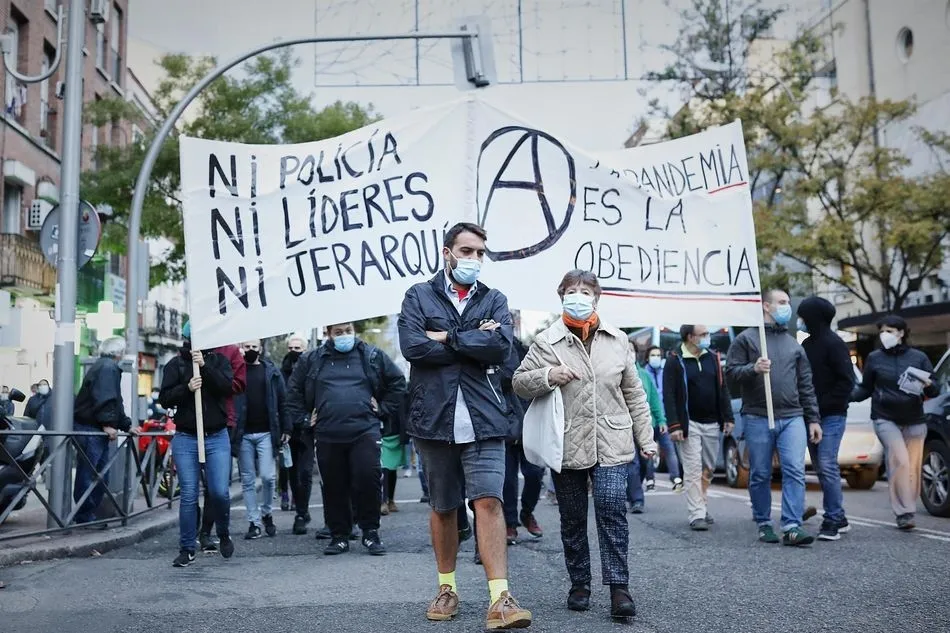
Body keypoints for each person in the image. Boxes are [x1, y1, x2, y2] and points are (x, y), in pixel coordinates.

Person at [398, 222, 532, 629]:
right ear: (447, 252)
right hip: (434, 418)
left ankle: (500, 599)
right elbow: (413, 346)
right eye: (467, 251)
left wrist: (448, 338)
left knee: (489, 501)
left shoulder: (495, 299)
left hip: (485, 417)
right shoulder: (418, 295)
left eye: (480, 253)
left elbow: (500, 347)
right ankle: (447, 587)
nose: (474, 259)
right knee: (443, 508)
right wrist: (471, 338)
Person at [514, 269, 656, 620]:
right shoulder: (548, 341)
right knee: (573, 517)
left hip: (612, 438)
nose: (578, 296)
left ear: (597, 297)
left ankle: (619, 587)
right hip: (567, 442)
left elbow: (634, 393)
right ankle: (579, 582)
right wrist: (549, 376)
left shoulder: (618, 340)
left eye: (585, 291)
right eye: (571, 290)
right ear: (561, 295)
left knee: (611, 507)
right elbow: (519, 382)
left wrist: (646, 438)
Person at [287, 322, 406, 556]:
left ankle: (370, 533)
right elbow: (293, 392)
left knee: (368, 479)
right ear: (328, 334)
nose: (345, 336)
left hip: (364, 431)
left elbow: (398, 383)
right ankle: (339, 535)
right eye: (339, 332)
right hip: (327, 433)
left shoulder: (371, 355)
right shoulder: (311, 360)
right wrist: (303, 419)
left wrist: (382, 408)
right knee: (334, 486)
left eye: (348, 331)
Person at [726, 289, 821, 546]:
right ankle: (764, 522)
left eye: (788, 302)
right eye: (781, 302)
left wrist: (813, 419)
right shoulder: (746, 339)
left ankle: (791, 525)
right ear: (766, 306)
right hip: (758, 416)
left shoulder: (793, 344)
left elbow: (805, 384)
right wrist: (753, 368)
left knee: (794, 470)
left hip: (792, 416)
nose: (786, 307)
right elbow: (731, 373)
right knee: (760, 473)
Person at [851, 315, 938, 531]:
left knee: (912, 466)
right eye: (882, 330)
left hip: (914, 418)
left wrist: (927, 384)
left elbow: (934, 389)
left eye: (889, 330)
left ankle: (908, 506)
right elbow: (865, 388)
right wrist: (844, 397)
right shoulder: (874, 358)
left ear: (901, 333)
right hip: (885, 417)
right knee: (899, 460)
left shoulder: (919, 357)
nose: (884, 335)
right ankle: (903, 513)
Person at [160, 331, 236, 567]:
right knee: (189, 494)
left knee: (219, 491)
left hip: (216, 436)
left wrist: (205, 368)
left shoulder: (218, 360)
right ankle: (187, 548)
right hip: (186, 437)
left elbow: (227, 387)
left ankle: (223, 532)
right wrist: (187, 388)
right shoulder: (175, 365)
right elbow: (165, 398)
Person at [663, 325, 735, 530]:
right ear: (690, 337)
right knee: (693, 470)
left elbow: (723, 389)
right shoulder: (675, 360)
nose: (707, 337)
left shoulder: (713, 357)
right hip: (689, 424)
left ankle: (701, 504)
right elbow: (668, 395)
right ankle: (696, 514)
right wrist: (674, 425)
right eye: (703, 334)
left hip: (712, 423)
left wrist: (728, 417)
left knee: (708, 469)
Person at [797, 296, 856, 540]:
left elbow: (847, 381)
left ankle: (832, 519)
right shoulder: (807, 345)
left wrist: (822, 406)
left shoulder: (835, 344)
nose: (800, 321)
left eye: (803, 316)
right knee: (822, 467)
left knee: (828, 464)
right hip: (812, 416)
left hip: (831, 416)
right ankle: (839, 516)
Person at [72, 337, 134, 525]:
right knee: (94, 473)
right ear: (119, 353)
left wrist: (126, 425)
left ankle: (87, 514)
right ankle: (85, 515)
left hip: (92, 426)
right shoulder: (108, 368)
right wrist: (108, 424)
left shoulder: (104, 366)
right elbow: (107, 398)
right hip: (93, 428)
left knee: (96, 473)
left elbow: (113, 400)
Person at [196, 327, 246, 552]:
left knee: (216, 486)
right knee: (191, 487)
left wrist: (212, 375)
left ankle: (210, 531)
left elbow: (235, 385)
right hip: (194, 423)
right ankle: (196, 531)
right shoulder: (191, 351)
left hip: (223, 422)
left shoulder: (230, 351)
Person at [234, 340, 290, 540]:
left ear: (260, 348)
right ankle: (254, 522)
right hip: (243, 435)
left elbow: (283, 401)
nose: (250, 350)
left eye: (253, 347)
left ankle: (266, 512)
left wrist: (286, 427)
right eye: (246, 347)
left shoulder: (271, 372)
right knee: (248, 480)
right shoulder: (236, 371)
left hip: (267, 432)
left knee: (268, 477)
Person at [501, 336, 544, 542]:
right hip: (504, 426)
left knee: (535, 474)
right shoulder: (492, 350)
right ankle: (510, 523)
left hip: (530, 425)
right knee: (507, 480)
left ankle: (527, 513)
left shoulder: (528, 351)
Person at [626, 341, 666, 515]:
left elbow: (655, 401)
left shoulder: (644, 375)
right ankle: (637, 499)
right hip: (623, 426)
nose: (629, 353)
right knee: (632, 463)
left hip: (644, 425)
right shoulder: (615, 374)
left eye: (632, 350)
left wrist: (661, 420)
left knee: (644, 463)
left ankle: (633, 491)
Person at [642, 346, 682, 492]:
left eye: (658, 355)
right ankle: (650, 479)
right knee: (649, 452)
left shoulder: (665, 372)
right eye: (653, 355)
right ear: (647, 357)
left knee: (669, 449)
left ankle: (676, 478)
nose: (656, 358)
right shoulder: (643, 374)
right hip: (648, 420)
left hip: (663, 418)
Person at [280, 334, 307, 512]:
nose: (293, 351)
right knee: (287, 464)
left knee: (303, 470)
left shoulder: (309, 369)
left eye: (297, 348)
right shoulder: (281, 371)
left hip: (305, 425)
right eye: (291, 348)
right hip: (287, 425)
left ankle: (300, 502)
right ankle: (285, 493)